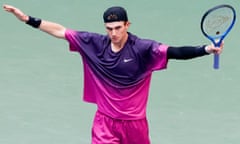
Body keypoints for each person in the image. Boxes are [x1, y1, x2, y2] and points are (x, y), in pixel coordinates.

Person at [3, 4, 223, 144]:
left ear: (127, 25)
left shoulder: (143, 48)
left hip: (135, 124)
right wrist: (27, 19)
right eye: (109, 28)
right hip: (105, 123)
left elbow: (174, 52)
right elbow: (61, 31)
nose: (113, 33)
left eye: (118, 27)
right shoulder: (94, 43)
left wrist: (205, 49)